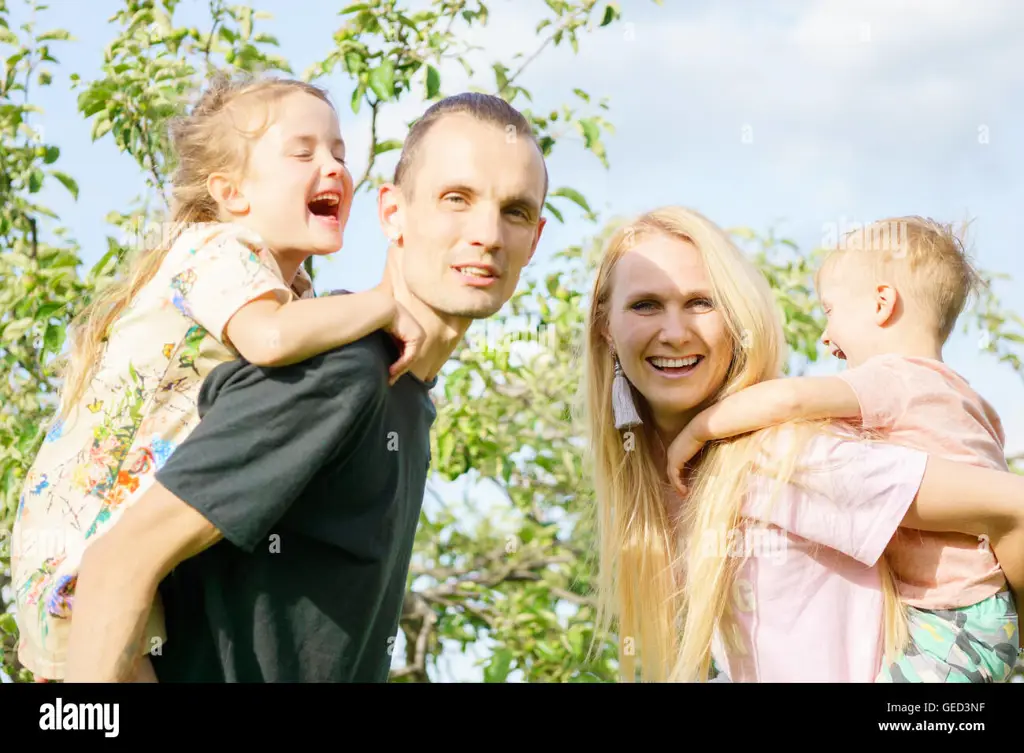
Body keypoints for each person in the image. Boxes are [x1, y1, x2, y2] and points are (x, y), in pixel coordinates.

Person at [60, 90, 549, 683]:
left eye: (515, 211)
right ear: (392, 212)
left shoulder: (406, 393)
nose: (488, 234)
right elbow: (116, 564)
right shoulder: (345, 369)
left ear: (536, 239)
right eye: (457, 199)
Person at [11, 74, 426, 683]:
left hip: (92, 545)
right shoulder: (215, 250)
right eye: (303, 152)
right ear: (231, 193)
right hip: (87, 540)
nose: (333, 167)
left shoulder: (286, 288)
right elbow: (271, 339)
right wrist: (383, 302)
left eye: (339, 152)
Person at [578, 205, 1024, 683]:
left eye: (701, 303)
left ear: (736, 319)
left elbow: (1014, 507)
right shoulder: (665, 480)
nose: (674, 332)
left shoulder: (782, 454)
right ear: (606, 326)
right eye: (645, 304)